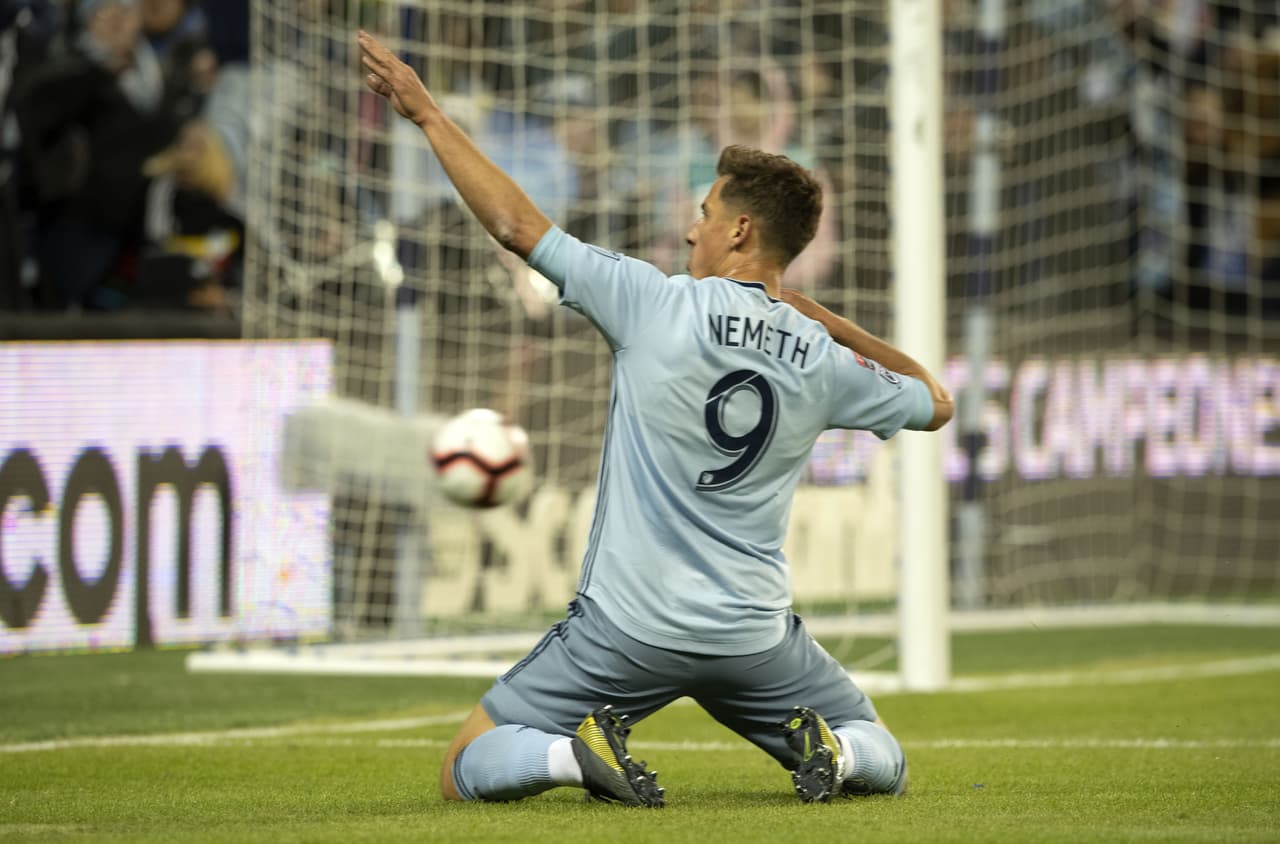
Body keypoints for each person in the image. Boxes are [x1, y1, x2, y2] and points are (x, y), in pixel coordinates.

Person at [358, 30, 954, 807]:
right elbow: (937, 402)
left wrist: (429, 115)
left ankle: (577, 757)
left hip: (628, 631)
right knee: (885, 756)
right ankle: (836, 754)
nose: (688, 229)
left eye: (704, 213)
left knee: (463, 768)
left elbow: (516, 227)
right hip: (752, 641)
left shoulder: (650, 300)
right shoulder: (821, 360)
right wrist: (818, 316)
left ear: (739, 231)